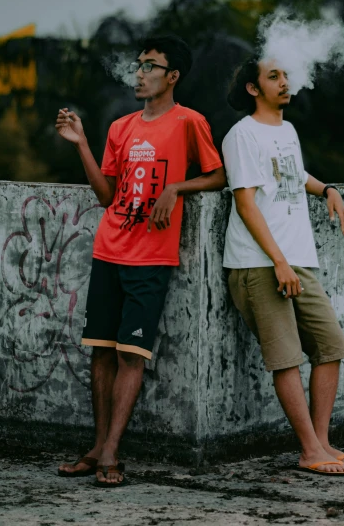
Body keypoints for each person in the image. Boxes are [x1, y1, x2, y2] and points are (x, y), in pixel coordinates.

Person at [56, 35, 225, 486]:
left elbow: (217, 174)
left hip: (152, 256)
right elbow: (107, 195)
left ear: (172, 76)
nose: (140, 72)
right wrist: (81, 144)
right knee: (101, 351)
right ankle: (97, 447)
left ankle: (113, 450)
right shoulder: (121, 127)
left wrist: (176, 187)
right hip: (109, 249)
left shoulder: (190, 122)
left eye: (151, 65)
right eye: (138, 65)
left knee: (132, 353)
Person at [222, 56, 344, 476]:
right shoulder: (241, 135)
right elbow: (246, 204)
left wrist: (328, 189)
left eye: (285, 75)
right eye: (274, 76)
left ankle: (322, 443)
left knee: (330, 346)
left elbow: (293, 174)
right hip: (260, 263)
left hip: (298, 260)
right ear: (253, 88)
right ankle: (308, 451)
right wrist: (278, 262)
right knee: (285, 358)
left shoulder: (287, 130)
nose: (285, 82)